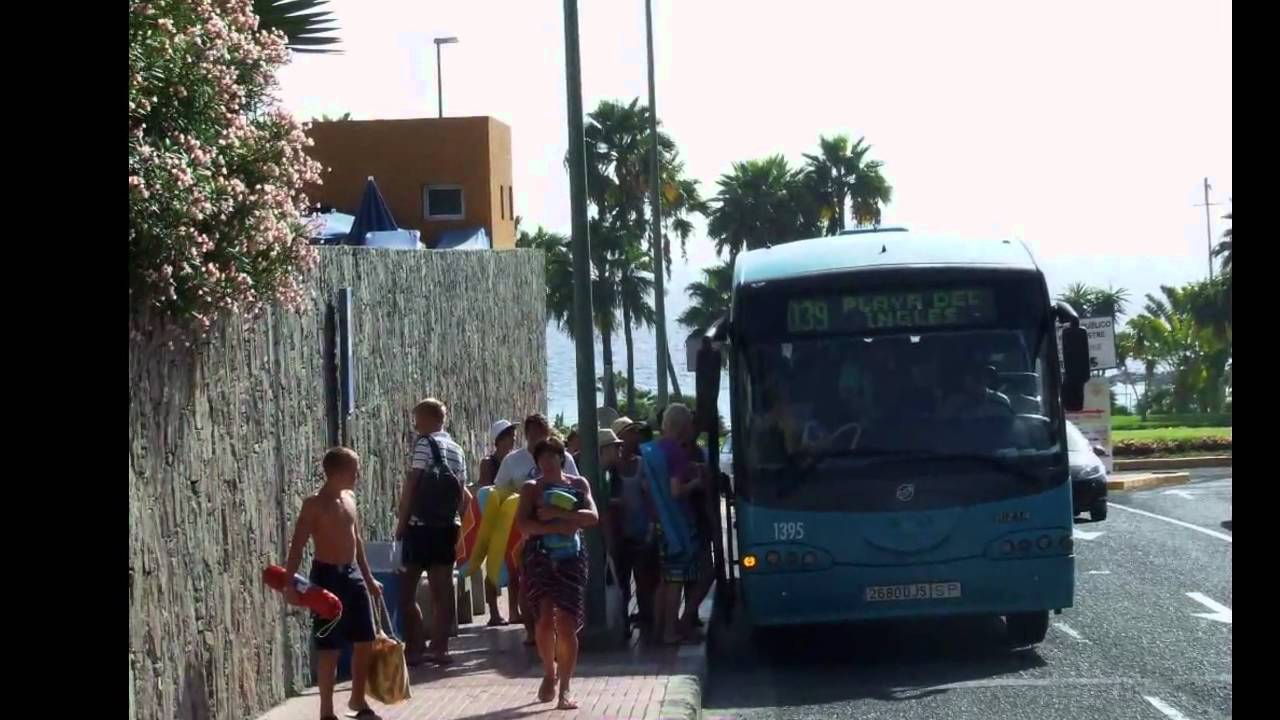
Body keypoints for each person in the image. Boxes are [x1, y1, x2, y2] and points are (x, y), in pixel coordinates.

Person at [283, 447, 383, 720]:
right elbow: (297, 546)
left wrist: (369, 576)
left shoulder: (350, 498)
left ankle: (357, 699)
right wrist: (288, 584)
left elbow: (357, 541)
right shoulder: (314, 504)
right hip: (326, 577)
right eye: (354, 469)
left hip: (353, 575)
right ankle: (326, 712)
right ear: (337, 472)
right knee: (329, 647)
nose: (359, 475)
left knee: (366, 640)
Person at [515, 436, 600, 710]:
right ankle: (549, 674)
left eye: (553, 457)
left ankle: (566, 688)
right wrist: (552, 525)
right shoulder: (531, 489)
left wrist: (561, 517)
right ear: (537, 461)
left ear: (561, 458)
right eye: (543, 458)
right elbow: (523, 524)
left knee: (566, 624)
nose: (548, 462)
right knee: (543, 621)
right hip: (540, 559)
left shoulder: (577, 484)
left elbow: (592, 517)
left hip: (571, 560)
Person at [486, 414, 581, 644]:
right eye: (534, 434)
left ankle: (559, 632)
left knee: (562, 586)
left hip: (562, 534)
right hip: (526, 530)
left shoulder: (564, 458)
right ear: (527, 435)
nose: (539, 439)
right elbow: (498, 493)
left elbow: (579, 496)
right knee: (526, 581)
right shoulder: (513, 461)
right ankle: (531, 631)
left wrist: (565, 518)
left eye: (543, 433)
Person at [395, 398, 469, 666]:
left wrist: (401, 524)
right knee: (442, 590)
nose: (415, 426)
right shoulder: (457, 449)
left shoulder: (424, 445)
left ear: (428, 419)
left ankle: (415, 647)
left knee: (406, 592)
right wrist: (455, 522)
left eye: (417, 419)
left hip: (419, 527)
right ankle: (440, 647)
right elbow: (463, 494)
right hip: (447, 527)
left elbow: (412, 485)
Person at [642, 404, 708, 645]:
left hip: (657, 522)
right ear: (683, 427)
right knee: (676, 580)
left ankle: (659, 629)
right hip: (676, 526)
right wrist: (697, 483)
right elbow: (676, 491)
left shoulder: (653, 450)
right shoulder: (677, 453)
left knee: (664, 579)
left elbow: (648, 487)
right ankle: (671, 630)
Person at [610, 417, 659, 636]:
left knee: (645, 579)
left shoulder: (642, 464)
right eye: (630, 432)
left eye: (635, 432)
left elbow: (651, 499)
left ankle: (648, 622)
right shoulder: (609, 470)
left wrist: (651, 527)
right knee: (621, 581)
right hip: (618, 534)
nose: (635, 437)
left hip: (641, 531)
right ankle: (622, 624)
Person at [477, 419, 517, 624]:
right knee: (493, 566)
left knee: (513, 564)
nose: (514, 438)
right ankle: (494, 612)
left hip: (511, 519)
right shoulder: (488, 463)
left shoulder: (514, 461)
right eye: (510, 434)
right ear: (499, 439)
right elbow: (485, 491)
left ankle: (514, 611)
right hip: (494, 521)